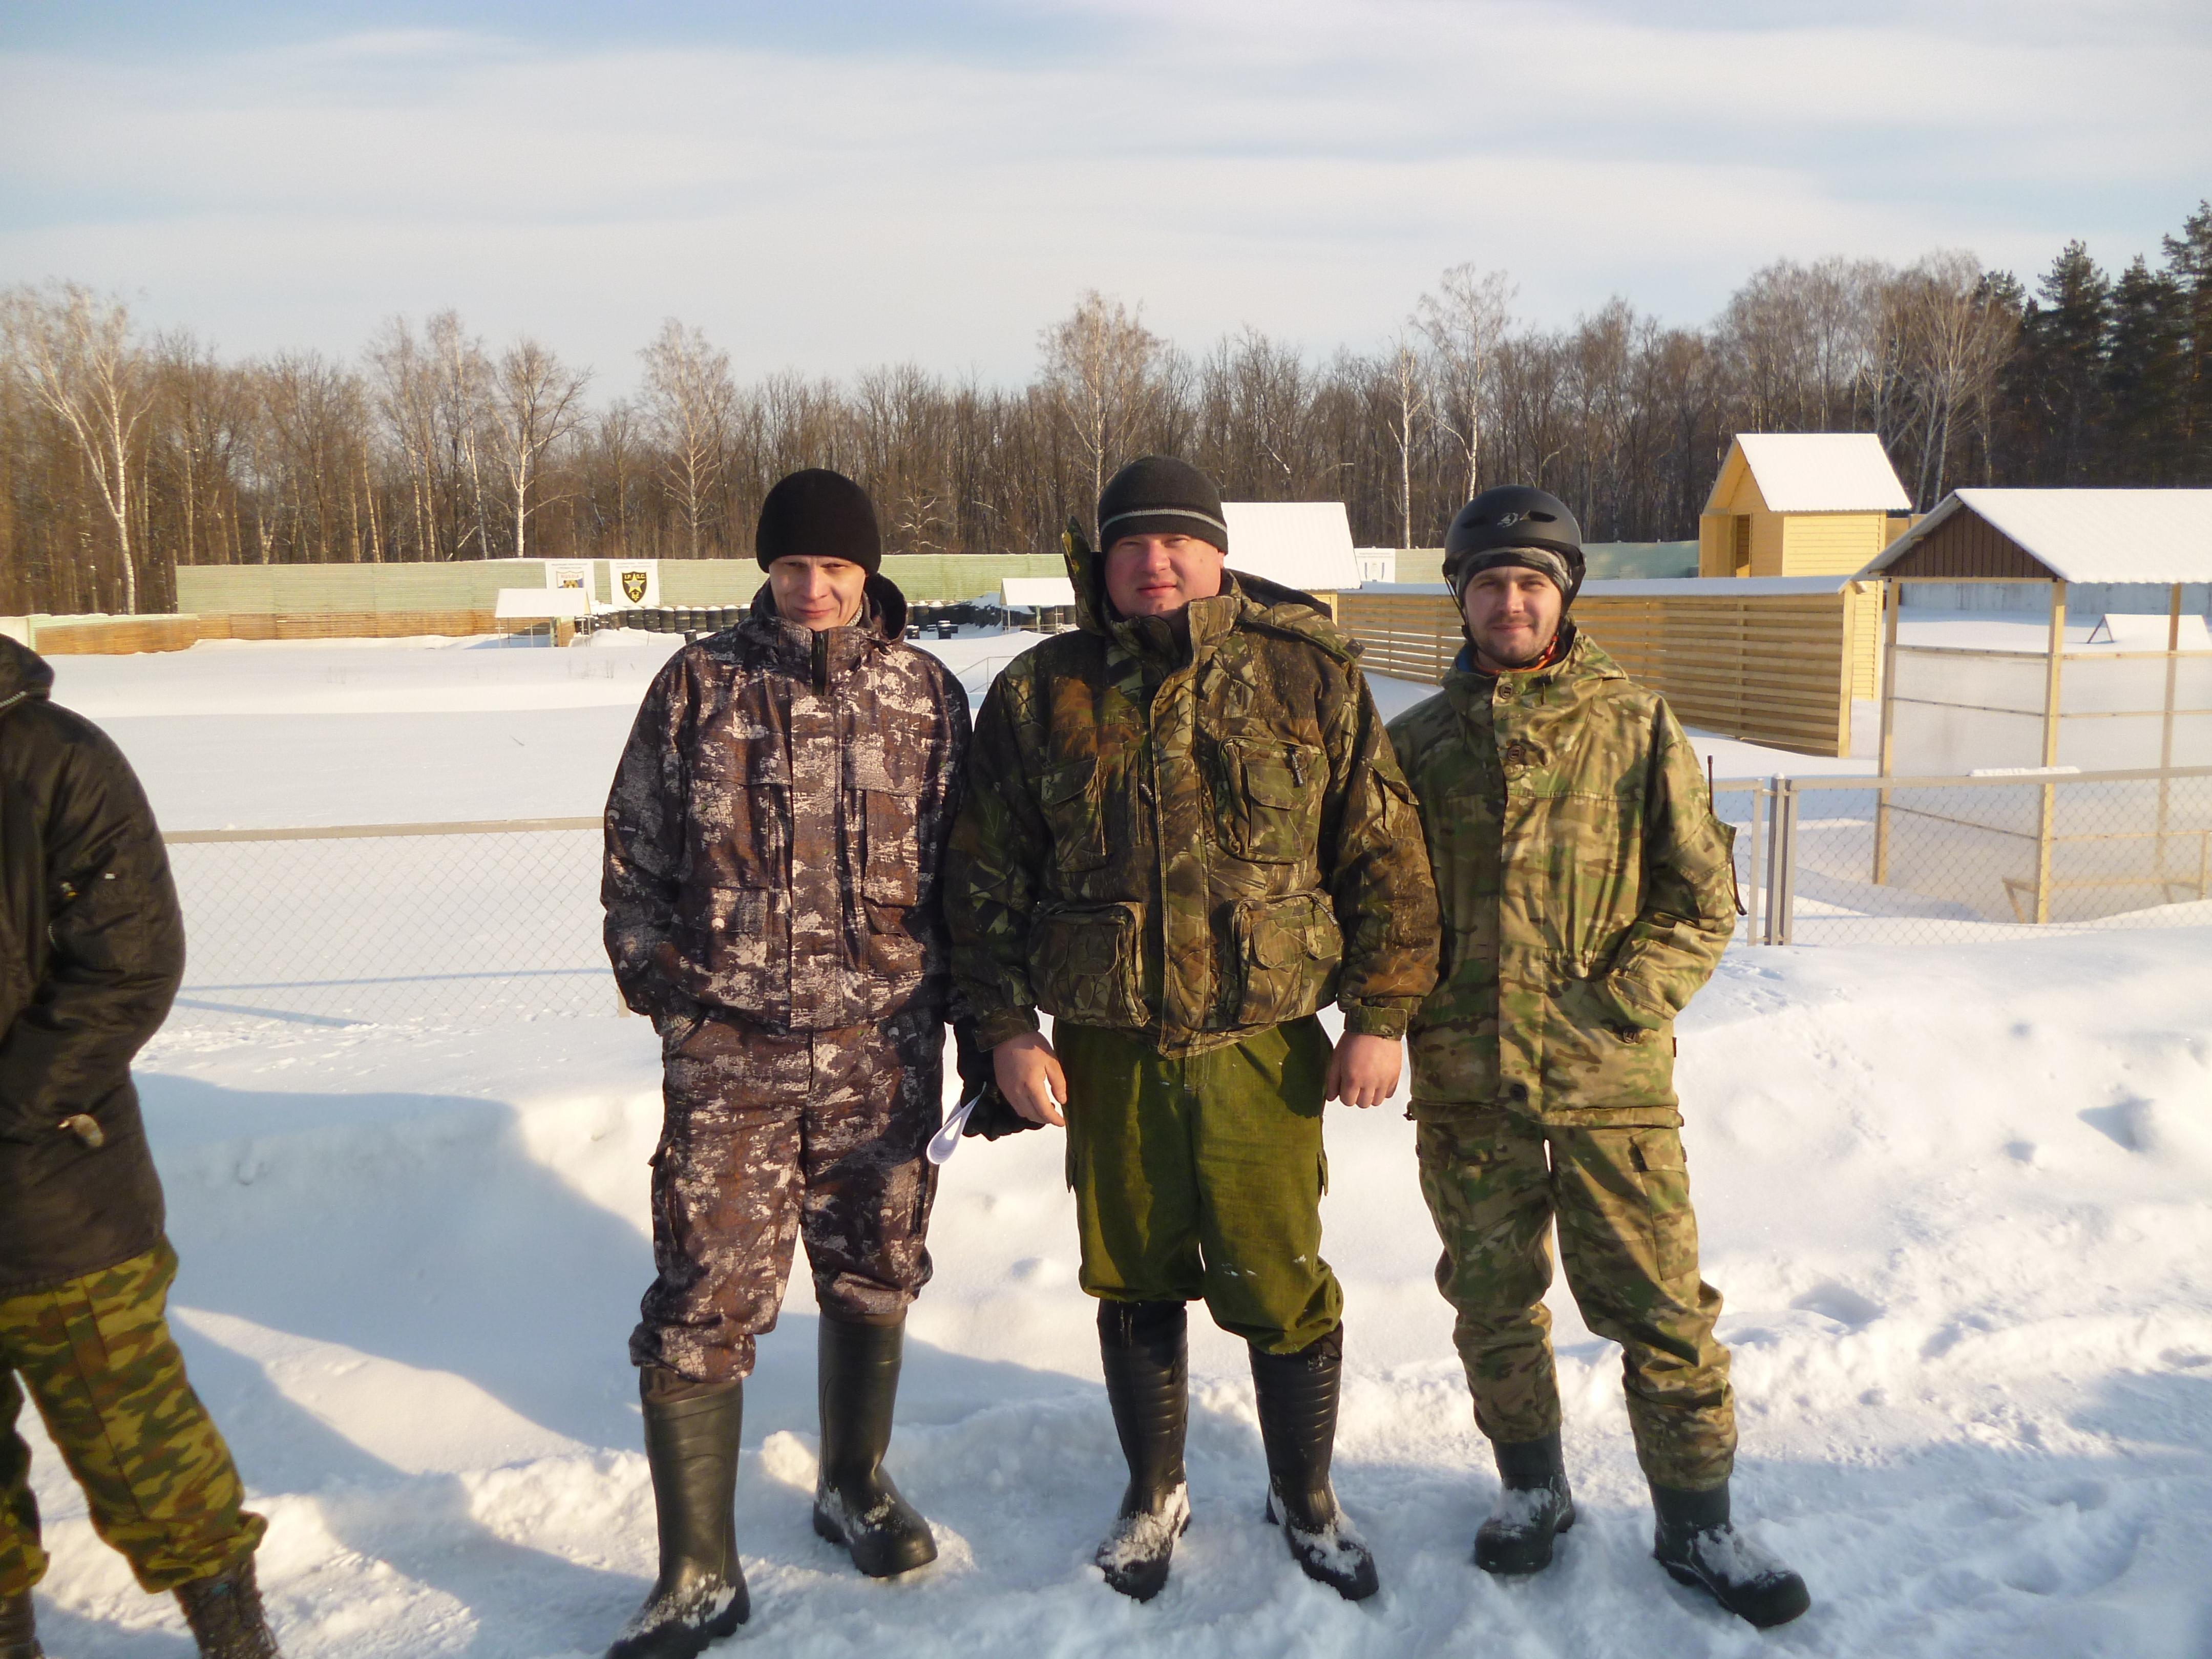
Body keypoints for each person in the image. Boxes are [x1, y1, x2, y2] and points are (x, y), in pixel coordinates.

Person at [945, 456, 1439, 1603]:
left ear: (1218, 554)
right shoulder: (1041, 694)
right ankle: (1153, 1492)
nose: (1155, 563)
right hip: (1107, 1051)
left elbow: (1384, 854)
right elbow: (982, 879)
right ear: (1101, 560)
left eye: (1177, 542)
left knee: (1280, 1281)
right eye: (1132, 543)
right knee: (1132, 1280)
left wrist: (1381, 1016)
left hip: (1263, 1052)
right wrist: (1007, 1030)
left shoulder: (1307, 674)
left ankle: (1305, 1495)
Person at [1384, 485, 1811, 1628]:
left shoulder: (1634, 726)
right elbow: (1382, 907)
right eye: (1489, 584)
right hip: (1468, 1087)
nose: (1511, 603)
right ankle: (1532, 1490)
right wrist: (1395, 1008)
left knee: (1662, 1310)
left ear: (1563, 595)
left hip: (1608, 1090)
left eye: (1531, 583)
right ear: (1462, 599)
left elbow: (1702, 901)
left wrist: (1620, 1005)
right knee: (1492, 1301)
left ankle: (1698, 1523)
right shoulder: (1415, 747)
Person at [601, 469, 971, 1657]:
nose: (814, 588)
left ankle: (853, 1486)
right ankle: (697, 1574)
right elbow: (634, 864)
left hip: (883, 1055)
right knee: (702, 1299)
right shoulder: (698, 685)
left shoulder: (926, 695)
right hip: (732, 1062)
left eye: (836, 568)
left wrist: (973, 1023)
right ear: (766, 568)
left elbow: (970, 878)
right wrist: (677, 1003)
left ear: (868, 573)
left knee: (876, 1270)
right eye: (794, 566)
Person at [0, 635, 283, 1659]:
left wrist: (13, 1103)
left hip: (50, 1188)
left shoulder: (53, 758)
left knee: (140, 1447)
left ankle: (235, 1639)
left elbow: (129, 965)